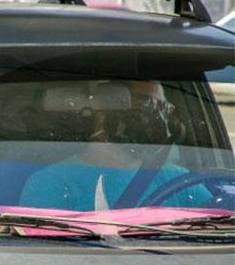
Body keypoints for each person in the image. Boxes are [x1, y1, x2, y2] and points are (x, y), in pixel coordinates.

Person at [19, 81, 209, 211]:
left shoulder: (178, 180)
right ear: (103, 115)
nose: (156, 119)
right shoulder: (51, 182)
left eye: (162, 108)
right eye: (145, 106)